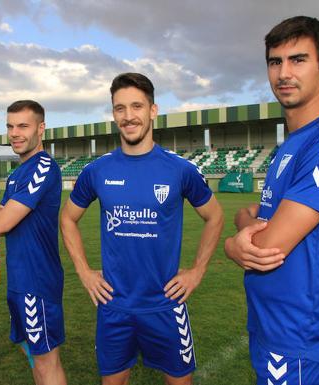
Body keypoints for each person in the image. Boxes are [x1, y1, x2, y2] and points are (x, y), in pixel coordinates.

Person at [223, 16, 319, 385]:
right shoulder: (291, 146)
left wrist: (232, 242)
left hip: (301, 338)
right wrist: (245, 222)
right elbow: (255, 213)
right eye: (275, 61)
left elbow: (268, 244)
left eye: (298, 59)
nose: (283, 72)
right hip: (271, 328)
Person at [60, 72, 224, 385]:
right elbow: (68, 218)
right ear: (113, 114)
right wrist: (83, 271)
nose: (128, 116)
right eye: (120, 108)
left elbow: (214, 216)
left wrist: (196, 271)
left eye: (136, 106)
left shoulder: (180, 169)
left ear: (152, 110)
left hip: (165, 305)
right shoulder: (97, 171)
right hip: (114, 306)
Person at [0, 100, 67, 385]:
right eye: (10, 126)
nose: (15, 133)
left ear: (41, 128)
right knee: (33, 355)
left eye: (23, 125)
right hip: (21, 279)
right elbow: (1, 217)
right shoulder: (18, 173)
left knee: (47, 361)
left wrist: (1, 212)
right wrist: (2, 212)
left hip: (37, 280)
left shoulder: (42, 167)